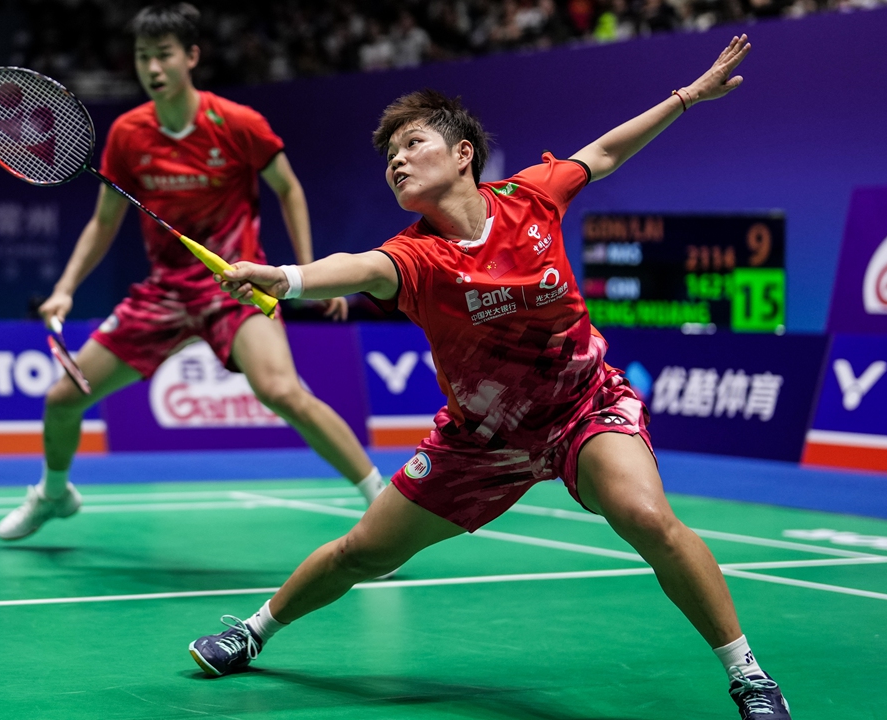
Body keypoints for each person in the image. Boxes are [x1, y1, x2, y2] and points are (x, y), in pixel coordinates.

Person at [189, 35, 791, 719]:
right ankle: (253, 631)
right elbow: (356, 267)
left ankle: (748, 675)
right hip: (482, 440)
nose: (398, 161)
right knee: (364, 552)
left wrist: (686, 97)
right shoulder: (414, 257)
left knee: (648, 517)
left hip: (583, 408)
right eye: (390, 156)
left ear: (462, 153)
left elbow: (605, 152)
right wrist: (286, 279)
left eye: (413, 144)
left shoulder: (531, 199)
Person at [0, 3, 385, 541]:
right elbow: (103, 223)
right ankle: (54, 494)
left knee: (282, 391)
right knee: (63, 398)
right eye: (142, 58)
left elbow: (288, 188)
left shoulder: (238, 123)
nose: (152, 69)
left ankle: (382, 507)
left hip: (235, 284)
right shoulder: (128, 135)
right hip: (166, 292)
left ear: (191, 57)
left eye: (163, 56)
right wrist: (64, 289)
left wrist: (306, 272)